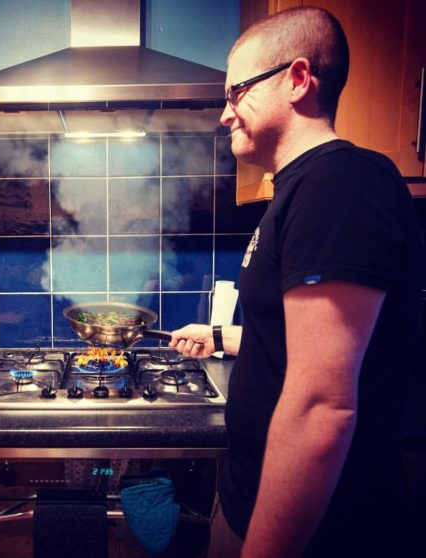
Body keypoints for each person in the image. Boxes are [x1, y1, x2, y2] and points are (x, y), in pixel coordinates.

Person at [169, 7, 422, 558]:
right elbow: (297, 344)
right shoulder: (301, 189)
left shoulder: (341, 183)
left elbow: (321, 406)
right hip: (250, 498)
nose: (224, 114)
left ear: (298, 79)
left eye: (236, 92)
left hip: (308, 531)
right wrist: (219, 338)